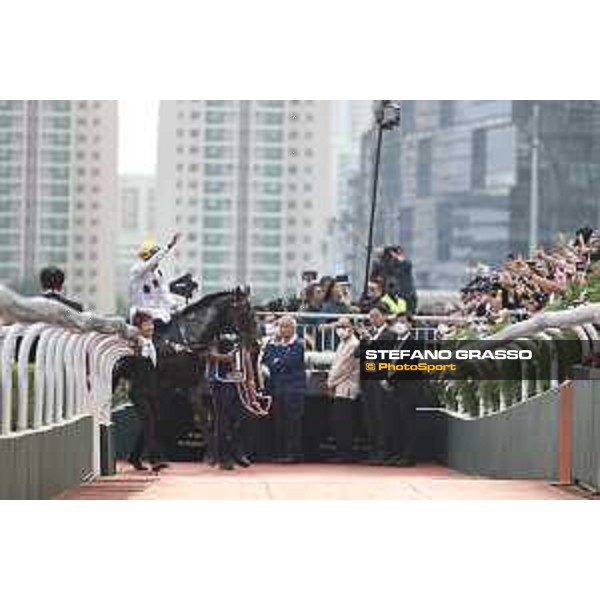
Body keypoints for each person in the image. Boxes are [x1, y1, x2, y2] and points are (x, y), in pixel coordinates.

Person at [261, 316, 307, 463]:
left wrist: (275, 362)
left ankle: (293, 453)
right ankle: (281, 452)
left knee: (292, 423)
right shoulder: (274, 344)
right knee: (279, 422)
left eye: (285, 327)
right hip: (278, 389)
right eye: (280, 327)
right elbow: (267, 358)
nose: (282, 330)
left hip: (294, 390)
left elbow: (287, 363)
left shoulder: (298, 345)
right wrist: (276, 361)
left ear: (293, 328)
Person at [127, 311, 169, 473]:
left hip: (152, 390)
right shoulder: (134, 344)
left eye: (151, 323)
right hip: (138, 391)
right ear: (138, 327)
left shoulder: (154, 343)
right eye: (146, 324)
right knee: (149, 423)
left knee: (151, 424)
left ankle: (134, 456)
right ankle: (155, 459)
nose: (151, 327)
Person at [205, 331, 251, 470]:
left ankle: (237, 452)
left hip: (239, 379)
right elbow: (209, 354)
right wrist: (226, 358)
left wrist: (251, 379)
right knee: (222, 420)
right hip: (221, 380)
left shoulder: (241, 330)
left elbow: (246, 355)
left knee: (240, 418)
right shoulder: (215, 330)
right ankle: (223, 457)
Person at [358, 304, 397, 465]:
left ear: (384, 316)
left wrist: (369, 341)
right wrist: (365, 341)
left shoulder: (390, 334)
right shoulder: (370, 334)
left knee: (382, 418)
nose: (372, 319)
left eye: (376, 315)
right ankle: (373, 451)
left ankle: (383, 452)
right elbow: (358, 354)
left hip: (380, 381)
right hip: (368, 381)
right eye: (370, 316)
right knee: (370, 418)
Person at [129, 232, 182, 342]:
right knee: (159, 322)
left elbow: (164, 293)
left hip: (158, 312)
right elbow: (152, 262)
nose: (158, 261)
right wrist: (169, 246)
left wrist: (175, 306)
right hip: (141, 313)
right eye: (155, 256)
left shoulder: (158, 273)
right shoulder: (137, 270)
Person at [326, 317, 360, 463]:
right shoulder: (342, 343)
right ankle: (341, 452)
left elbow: (344, 368)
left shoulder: (354, 344)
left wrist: (330, 383)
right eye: (339, 326)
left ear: (352, 327)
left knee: (345, 422)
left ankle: (346, 454)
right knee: (339, 422)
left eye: (344, 326)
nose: (341, 329)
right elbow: (335, 364)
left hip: (347, 387)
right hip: (339, 386)